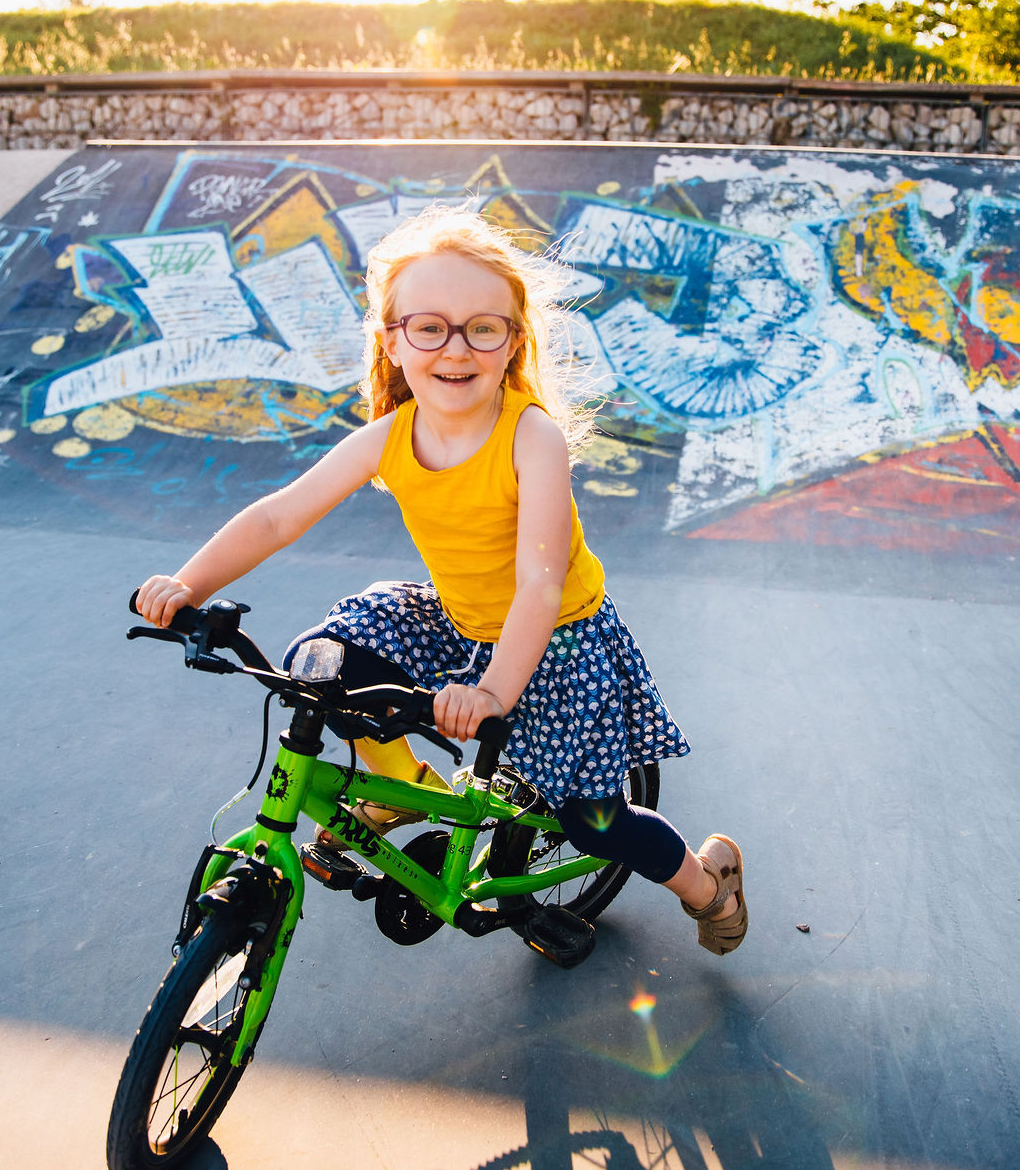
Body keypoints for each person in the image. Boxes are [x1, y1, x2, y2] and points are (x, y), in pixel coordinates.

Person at [134, 208, 747, 954]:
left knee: (593, 818)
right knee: (321, 659)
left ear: (512, 340)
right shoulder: (389, 436)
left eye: (481, 328)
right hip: (457, 618)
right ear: (392, 340)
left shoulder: (532, 437)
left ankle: (706, 883)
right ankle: (404, 790)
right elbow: (276, 517)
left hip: (557, 642)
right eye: (429, 327)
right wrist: (188, 583)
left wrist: (492, 692)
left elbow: (540, 587)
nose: (455, 348)